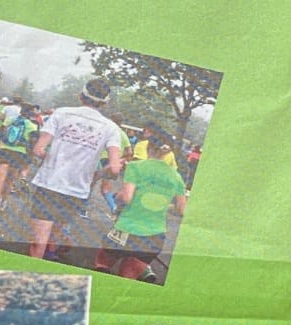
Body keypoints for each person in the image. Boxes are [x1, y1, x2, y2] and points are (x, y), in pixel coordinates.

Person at [27, 78, 124, 260]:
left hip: (49, 183)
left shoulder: (61, 113)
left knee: (38, 241)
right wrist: (98, 173)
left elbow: (38, 150)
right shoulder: (111, 128)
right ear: (105, 102)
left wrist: (54, 159)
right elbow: (114, 169)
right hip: (77, 190)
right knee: (54, 238)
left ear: (81, 96)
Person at [94, 128, 188, 282]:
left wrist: (117, 198)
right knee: (128, 276)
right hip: (155, 235)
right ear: (167, 153)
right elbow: (181, 209)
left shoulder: (136, 167)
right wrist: (162, 205)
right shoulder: (176, 177)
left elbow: (126, 198)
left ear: (148, 146)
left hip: (127, 228)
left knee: (103, 261)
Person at [0, 99, 35, 219]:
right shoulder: (32, 126)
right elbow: (32, 144)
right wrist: (28, 160)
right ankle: (3, 202)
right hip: (19, 154)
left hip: (5, 151)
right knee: (9, 181)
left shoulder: (10, 120)